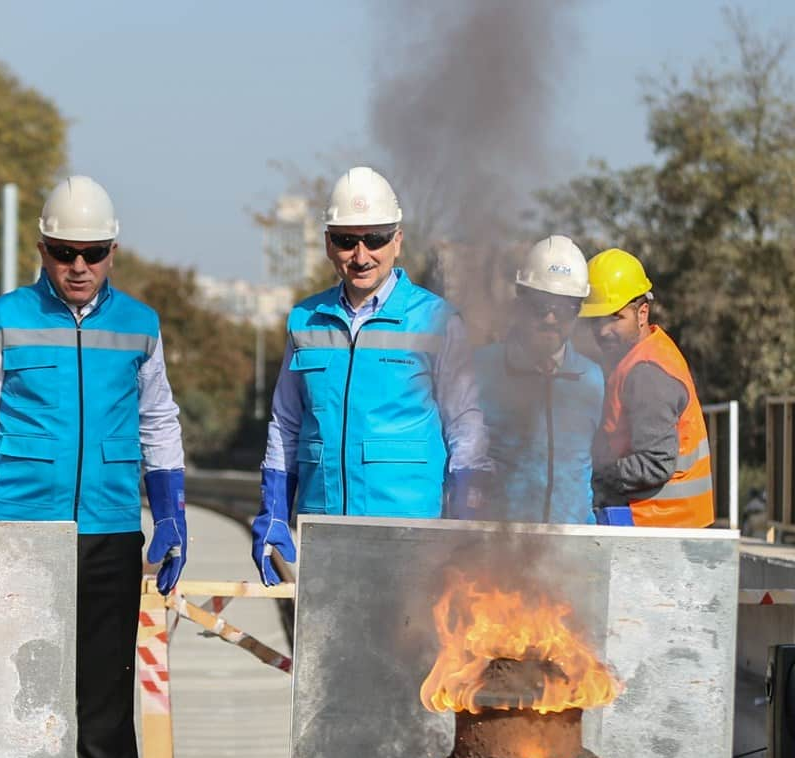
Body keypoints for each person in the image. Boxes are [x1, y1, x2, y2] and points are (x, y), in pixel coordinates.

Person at [0, 175, 187, 758]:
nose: (79, 267)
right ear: (43, 247)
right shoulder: (1, 320)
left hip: (109, 531)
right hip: (21, 534)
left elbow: (158, 420)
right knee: (18, 686)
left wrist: (171, 516)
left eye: (93, 253)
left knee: (105, 690)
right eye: (64, 253)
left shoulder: (141, 324)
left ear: (112, 250)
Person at [250, 166, 492, 584]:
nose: (361, 256)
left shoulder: (436, 320)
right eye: (347, 241)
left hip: (411, 538)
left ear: (398, 240)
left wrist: (468, 517)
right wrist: (273, 512)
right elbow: (286, 424)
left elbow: (465, 424)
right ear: (328, 244)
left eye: (375, 239)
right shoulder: (304, 320)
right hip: (323, 532)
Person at [473, 235, 605, 524]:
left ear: (579, 310)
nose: (550, 319)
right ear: (520, 301)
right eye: (540, 306)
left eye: (564, 309)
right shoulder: (481, 369)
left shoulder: (593, 379)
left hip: (572, 550)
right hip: (498, 546)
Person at [580, 247, 714, 528]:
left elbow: (655, 463)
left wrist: (592, 474)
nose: (603, 330)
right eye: (596, 320)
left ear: (642, 313)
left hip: (661, 528)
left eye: (615, 317)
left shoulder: (646, 372)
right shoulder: (641, 355)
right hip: (665, 527)